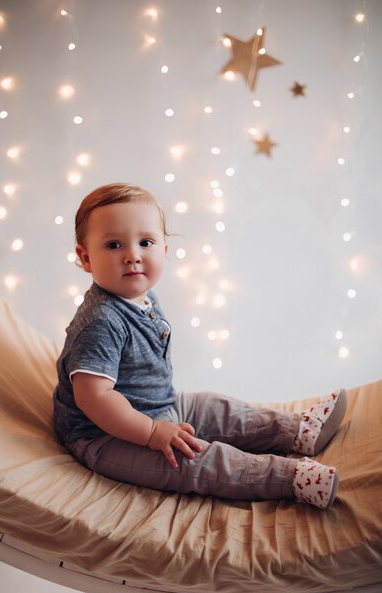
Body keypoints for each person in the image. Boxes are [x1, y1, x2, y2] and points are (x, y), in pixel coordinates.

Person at [53, 183, 347, 509]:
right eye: (113, 244)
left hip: (157, 406)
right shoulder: (101, 321)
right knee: (194, 460)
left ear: (164, 249)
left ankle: (299, 430)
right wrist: (152, 432)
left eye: (145, 242)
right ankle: (291, 478)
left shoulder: (140, 297)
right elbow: (94, 398)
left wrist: (159, 420)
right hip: (105, 436)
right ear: (85, 258)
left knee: (216, 408)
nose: (132, 255)